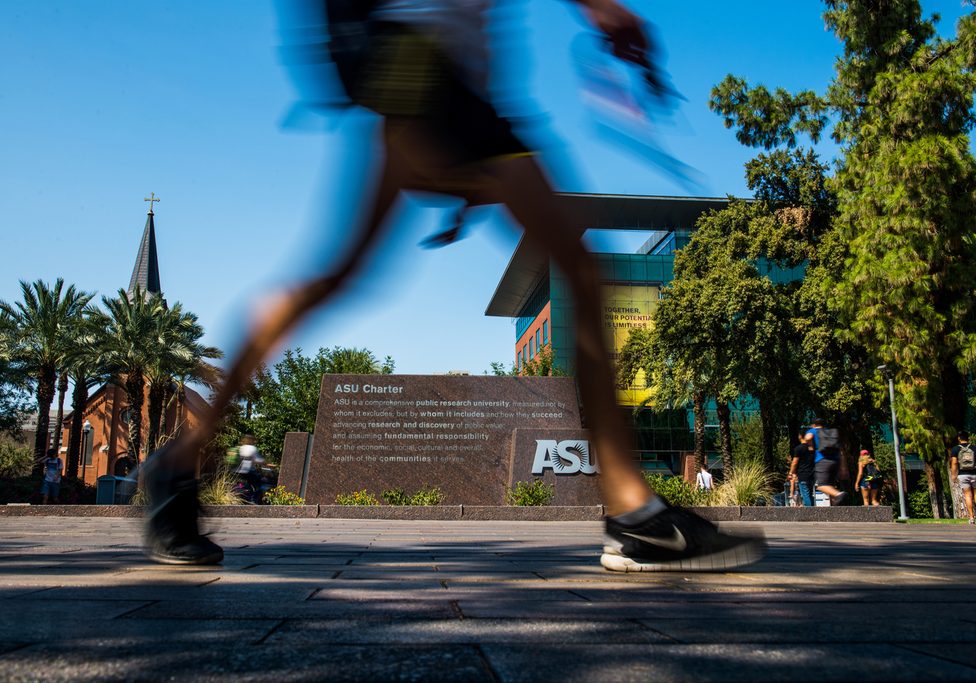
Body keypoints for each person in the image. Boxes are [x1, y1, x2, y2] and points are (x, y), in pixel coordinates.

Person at [141, 0, 767, 571]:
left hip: (445, 87)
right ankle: (634, 514)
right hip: (424, 74)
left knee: (342, 272)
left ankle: (177, 464)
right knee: (570, 267)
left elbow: (476, 25)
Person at [805, 418, 847, 506]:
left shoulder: (813, 430)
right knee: (830, 485)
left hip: (822, 460)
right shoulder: (830, 432)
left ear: (814, 424)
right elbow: (841, 451)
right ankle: (836, 506)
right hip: (836, 461)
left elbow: (808, 437)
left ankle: (839, 494)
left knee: (821, 485)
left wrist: (810, 446)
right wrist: (843, 467)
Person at [949, 430, 976, 525]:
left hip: (963, 475)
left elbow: (954, 463)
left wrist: (953, 475)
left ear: (959, 438)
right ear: (968, 438)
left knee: (968, 495)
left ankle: (972, 518)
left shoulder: (955, 449)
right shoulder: (974, 448)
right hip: (974, 474)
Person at [234, 435, 266, 504]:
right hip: (248, 471)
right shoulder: (252, 448)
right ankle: (253, 500)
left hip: (238, 471)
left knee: (243, 484)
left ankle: (239, 496)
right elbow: (258, 460)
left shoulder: (240, 448)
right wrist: (265, 462)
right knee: (258, 486)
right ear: (251, 440)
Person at [788, 431, 814, 507]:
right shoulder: (812, 449)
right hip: (812, 474)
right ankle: (814, 512)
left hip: (803, 474)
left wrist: (791, 473)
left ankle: (810, 514)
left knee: (805, 495)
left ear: (800, 436)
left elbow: (794, 463)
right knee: (810, 494)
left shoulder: (799, 448)